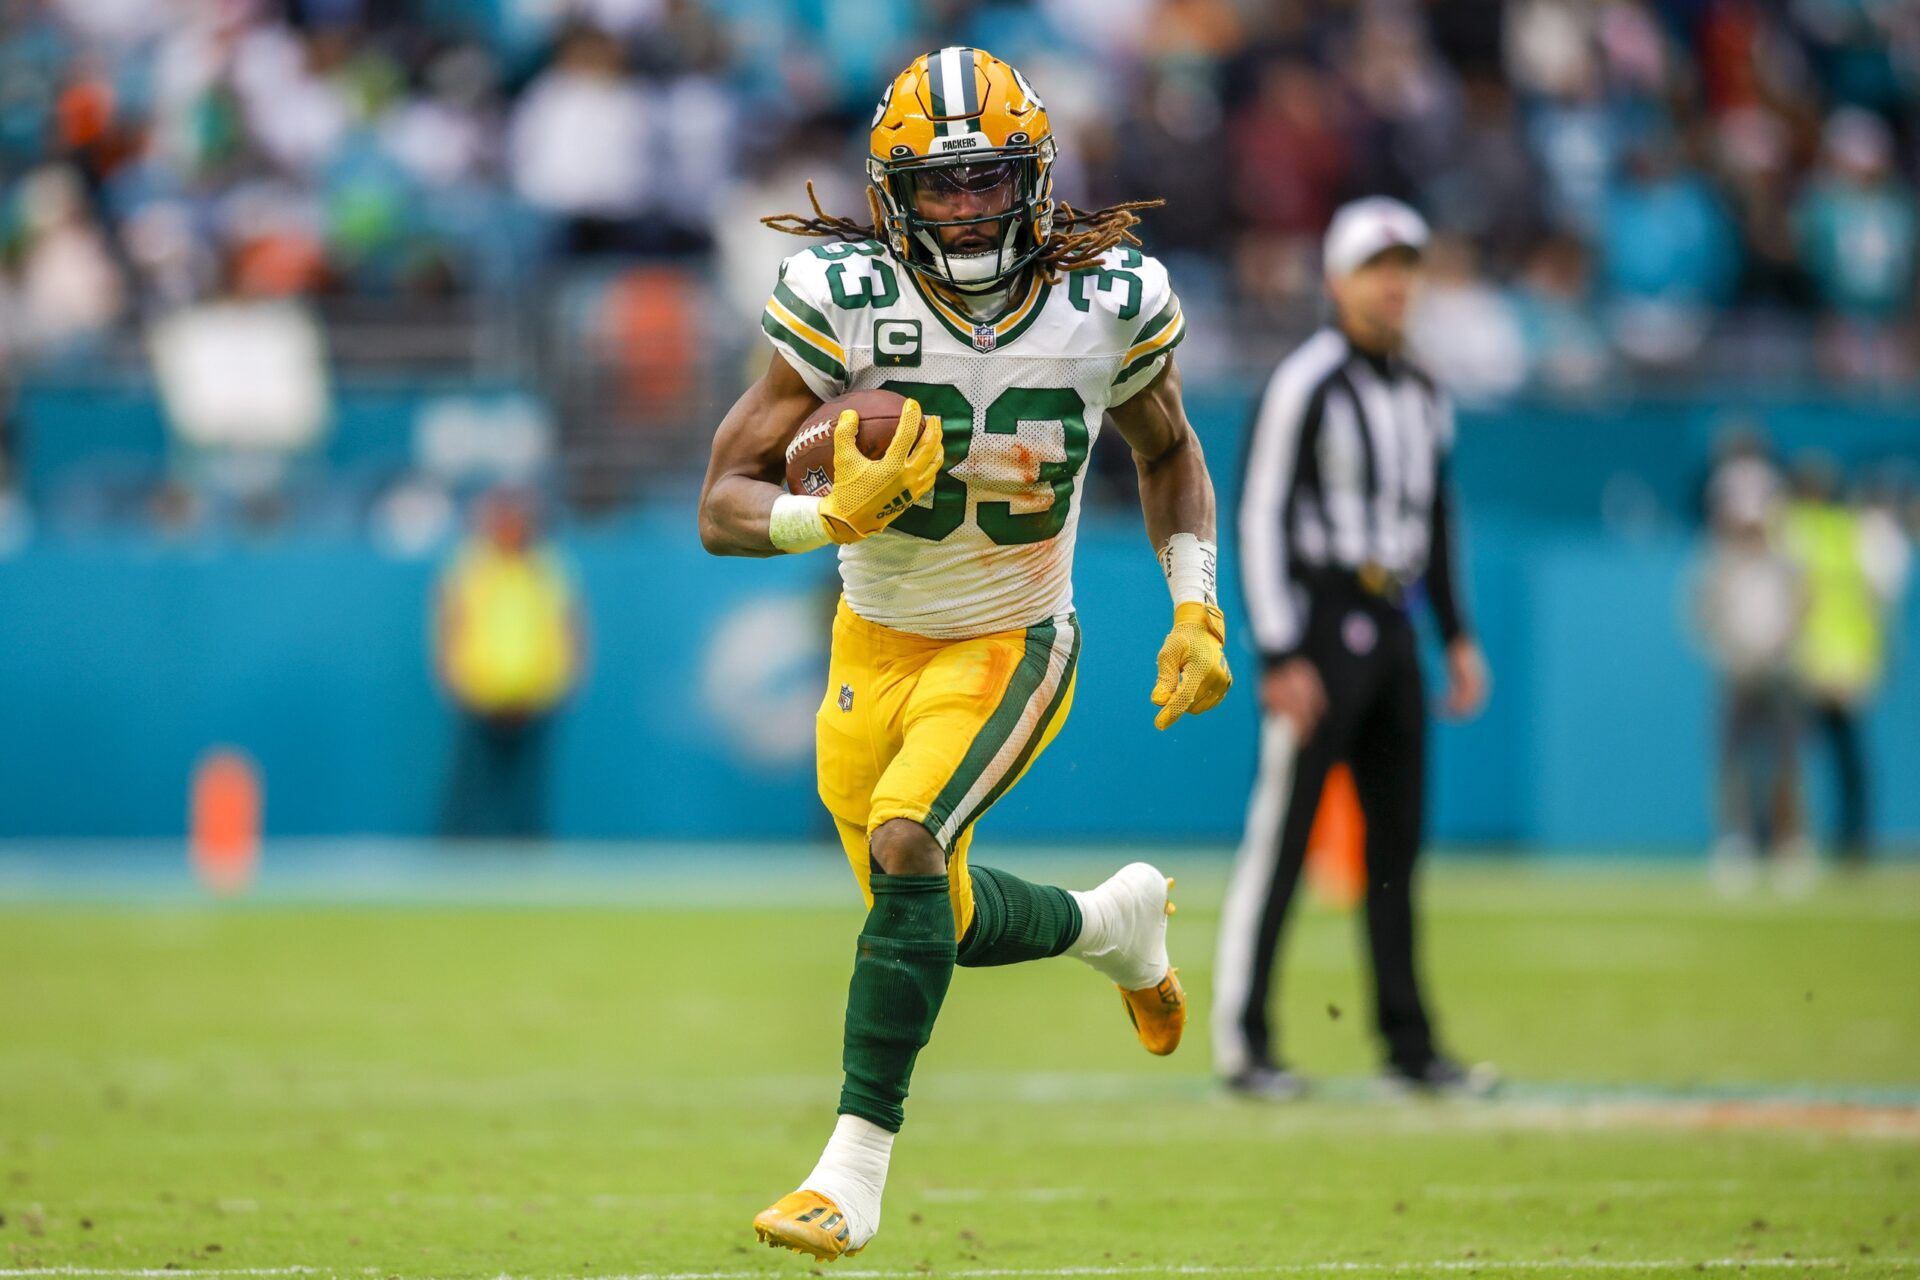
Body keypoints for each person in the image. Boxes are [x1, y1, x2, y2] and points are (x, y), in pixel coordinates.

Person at [696, 47, 1232, 1261]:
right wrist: (821, 517)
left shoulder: (1110, 300)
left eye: (990, 183)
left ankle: (852, 1171)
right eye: (939, 190)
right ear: (890, 195)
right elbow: (720, 498)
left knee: (906, 843)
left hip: (1012, 633)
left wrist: (1193, 604)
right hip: (869, 641)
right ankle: (1114, 924)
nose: (968, 210)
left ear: (1036, 181)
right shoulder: (840, 296)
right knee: (924, 908)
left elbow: (1168, 449)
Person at [1222, 197, 1491, 1101]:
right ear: (1337, 280)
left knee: (1397, 847)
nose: (1394, 284)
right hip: (1325, 622)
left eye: (1406, 266)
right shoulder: (1308, 380)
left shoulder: (1422, 390)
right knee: (1285, 841)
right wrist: (1279, 648)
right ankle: (1245, 1039)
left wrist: (1455, 633)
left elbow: (1438, 516)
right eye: (1379, 267)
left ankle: (1408, 1043)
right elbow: (1258, 512)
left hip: (1397, 622)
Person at [434, 490, 583, 839]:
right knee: (471, 788)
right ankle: (459, 856)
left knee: (528, 790)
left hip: (537, 697)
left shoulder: (548, 566)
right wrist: (456, 680)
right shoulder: (471, 565)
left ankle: (528, 859)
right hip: (480, 695)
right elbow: (451, 625)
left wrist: (563, 682)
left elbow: (569, 626)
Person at [1695, 462, 1808, 894]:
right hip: (1737, 671)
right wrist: (1731, 652)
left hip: (1779, 670)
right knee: (1733, 763)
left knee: (1785, 761)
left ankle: (1788, 843)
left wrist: (1780, 647)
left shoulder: (1787, 564)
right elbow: (1705, 616)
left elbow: (1802, 608)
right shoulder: (1720, 566)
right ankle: (1735, 842)